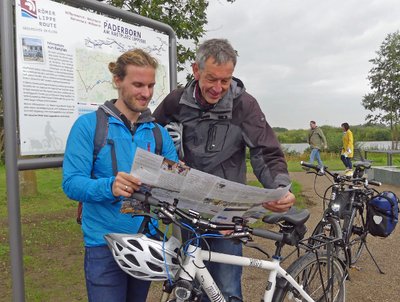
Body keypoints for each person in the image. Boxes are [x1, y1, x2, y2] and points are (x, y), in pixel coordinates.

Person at [153, 38, 296, 301]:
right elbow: (151, 136)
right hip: (187, 210)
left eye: (226, 80)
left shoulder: (245, 106)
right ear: (196, 71)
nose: (218, 88)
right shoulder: (176, 102)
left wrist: (279, 187)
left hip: (227, 216)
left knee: (227, 289)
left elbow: (265, 151)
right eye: (211, 79)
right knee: (191, 286)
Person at [62, 49, 178, 302]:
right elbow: (71, 183)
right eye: (137, 84)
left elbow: (174, 182)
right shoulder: (89, 126)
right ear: (117, 81)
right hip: (104, 244)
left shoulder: (158, 133)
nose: (146, 93)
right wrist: (110, 186)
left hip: (145, 241)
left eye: (150, 85)